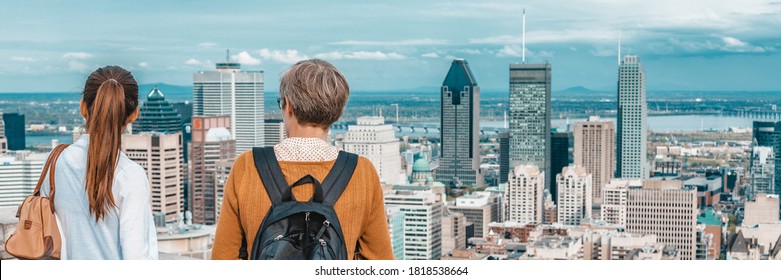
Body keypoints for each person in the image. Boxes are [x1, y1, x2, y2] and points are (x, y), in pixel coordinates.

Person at [212, 59, 394, 260]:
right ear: (338, 112)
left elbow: (223, 259)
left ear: (287, 105)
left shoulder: (247, 166)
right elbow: (381, 262)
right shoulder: (362, 172)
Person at [40, 66, 158, 260]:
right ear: (134, 114)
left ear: (83, 108)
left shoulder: (56, 161)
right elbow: (136, 258)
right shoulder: (129, 175)